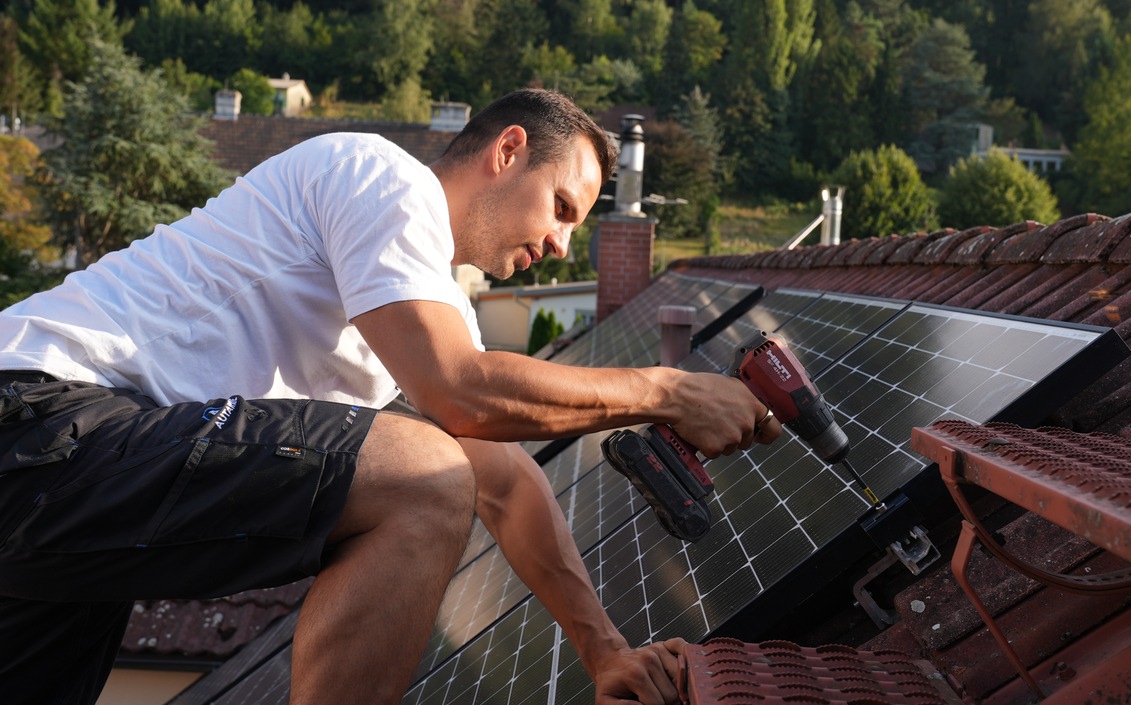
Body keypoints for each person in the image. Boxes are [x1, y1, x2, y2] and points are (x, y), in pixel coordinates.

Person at [0, 88, 780, 704]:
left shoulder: (411, 304)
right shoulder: (383, 177)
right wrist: (668, 390)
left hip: (72, 481)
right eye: (563, 208)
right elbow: (463, 397)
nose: (560, 247)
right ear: (509, 151)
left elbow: (505, 481)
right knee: (426, 474)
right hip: (44, 418)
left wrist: (605, 649)